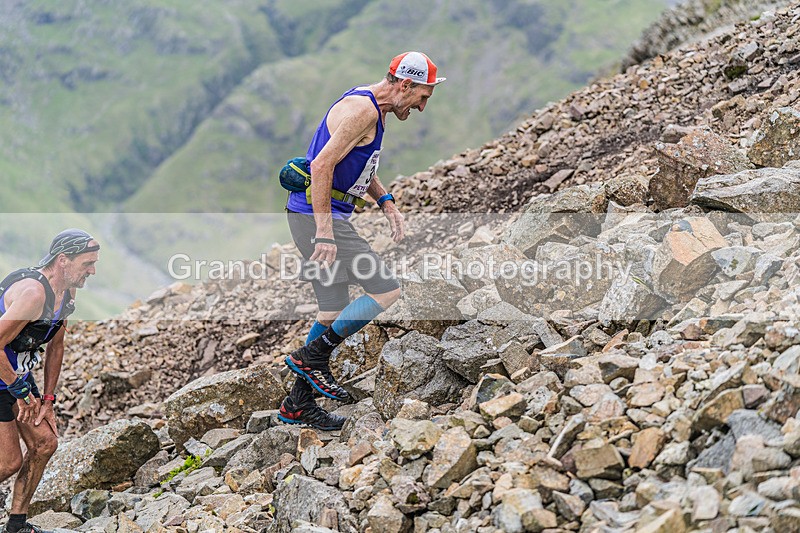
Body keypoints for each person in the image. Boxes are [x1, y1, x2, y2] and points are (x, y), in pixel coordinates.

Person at [278, 51, 445, 430]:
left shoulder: (370, 106)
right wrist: (325, 232)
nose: (421, 107)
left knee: (332, 309)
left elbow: (357, 165)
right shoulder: (364, 112)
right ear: (405, 85)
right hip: (318, 219)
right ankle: (312, 357)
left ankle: (296, 405)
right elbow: (321, 165)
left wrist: (385, 202)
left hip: (311, 216)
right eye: (422, 97)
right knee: (386, 290)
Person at [0, 229, 99, 533]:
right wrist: (18, 390)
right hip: (4, 376)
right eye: (87, 264)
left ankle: (16, 525)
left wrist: (48, 399)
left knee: (45, 443)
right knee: (8, 463)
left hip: (16, 376)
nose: (92, 271)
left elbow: (56, 344)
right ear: (63, 260)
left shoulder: (66, 293)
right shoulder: (33, 294)